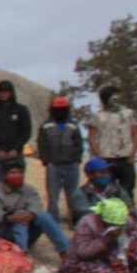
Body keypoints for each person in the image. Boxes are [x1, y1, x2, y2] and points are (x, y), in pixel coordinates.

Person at [60, 196, 137, 273]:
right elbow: (83, 252)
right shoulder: (87, 224)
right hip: (87, 260)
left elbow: (134, 232)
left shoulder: (123, 220)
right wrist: (106, 238)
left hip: (111, 257)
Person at [0, 163, 70, 258]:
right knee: (19, 215)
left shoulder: (30, 190)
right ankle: (22, 253)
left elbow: (36, 206)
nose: (17, 175)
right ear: (5, 175)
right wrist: (12, 217)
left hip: (28, 229)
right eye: (13, 173)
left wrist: (28, 215)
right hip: (7, 232)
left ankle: (65, 250)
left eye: (20, 173)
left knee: (44, 216)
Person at [37, 95, 87, 223]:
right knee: (53, 195)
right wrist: (46, 160)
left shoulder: (73, 126)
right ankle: (53, 220)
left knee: (73, 195)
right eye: (57, 109)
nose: (60, 112)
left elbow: (79, 144)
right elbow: (42, 144)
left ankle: (74, 220)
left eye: (63, 109)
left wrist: (77, 159)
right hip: (53, 165)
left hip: (71, 165)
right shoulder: (46, 126)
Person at [87, 88, 137, 203]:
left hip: (125, 158)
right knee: (105, 191)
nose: (117, 99)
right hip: (106, 159)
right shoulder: (98, 116)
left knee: (127, 191)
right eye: (113, 97)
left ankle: (127, 212)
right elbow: (91, 137)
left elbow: (136, 134)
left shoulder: (129, 114)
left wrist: (132, 154)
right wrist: (98, 156)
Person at [0, 82, 32, 180]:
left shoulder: (21, 110)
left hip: (16, 154)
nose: (3, 94)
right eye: (1, 92)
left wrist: (16, 149)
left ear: (11, 93)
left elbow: (26, 132)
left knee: (16, 184)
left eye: (6, 92)